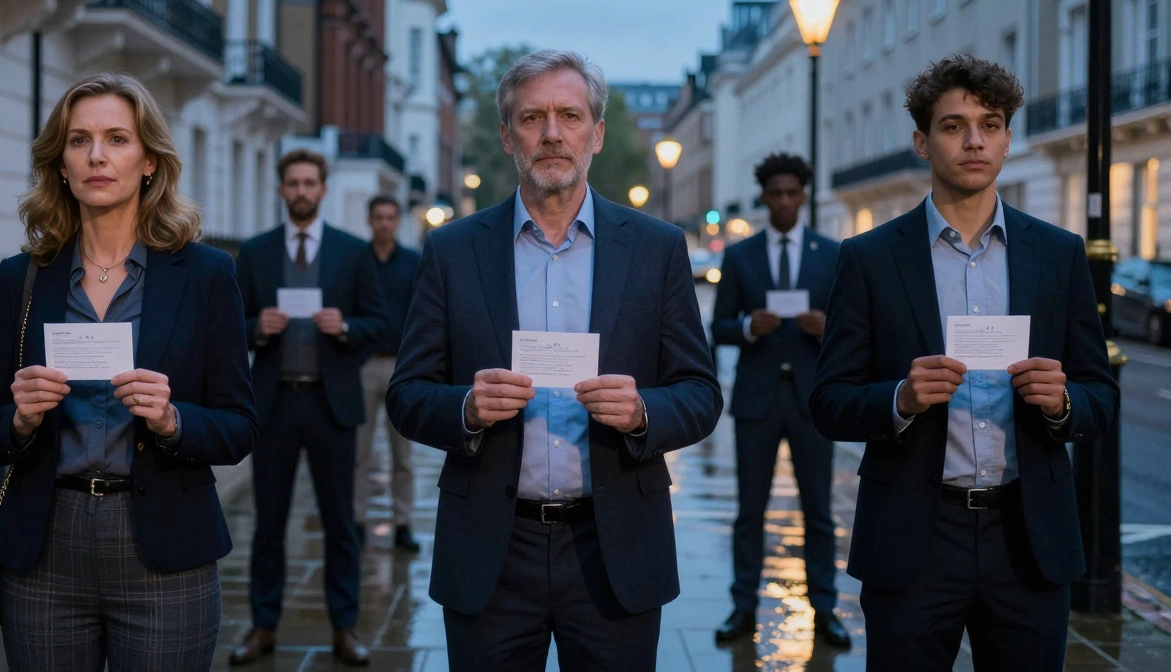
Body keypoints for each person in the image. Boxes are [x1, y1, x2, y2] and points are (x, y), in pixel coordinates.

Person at [385, 50, 722, 672]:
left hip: (614, 544)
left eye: (569, 115)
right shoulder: (453, 251)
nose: (551, 133)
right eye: (532, 117)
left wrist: (645, 411)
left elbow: (701, 394)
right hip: (491, 544)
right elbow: (405, 394)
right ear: (508, 135)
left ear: (596, 134)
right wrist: (465, 407)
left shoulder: (656, 249)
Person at [809, 55, 1119, 671]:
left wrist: (1064, 403)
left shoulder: (1057, 255)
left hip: (1028, 538)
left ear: (1007, 140)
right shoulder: (869, 258)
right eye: (954, 126)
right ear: (923, 142)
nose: (974, 140)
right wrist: (898, 397)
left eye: (991, 123)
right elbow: (829, 400)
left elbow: (1100, 396)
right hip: (914, 539)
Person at [0, 72, 257, 671]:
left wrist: (174, 418)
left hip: (164, 547)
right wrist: (18, 420)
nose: (97, 155)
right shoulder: (23, 279)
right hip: (45, 548)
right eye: (79, 140)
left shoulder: (205, 276)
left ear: (149, 160)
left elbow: (238, 428)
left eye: (117, 138)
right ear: (61, 163)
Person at [231, 149, 388, 667]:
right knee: (267, 523)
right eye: (292, 183)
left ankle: (345, 628)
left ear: (322, 189)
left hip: (330, 403)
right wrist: (257, 327)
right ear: (282, 190)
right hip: (274, 405)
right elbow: (229, 326)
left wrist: (344, 327)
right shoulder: (254, 252)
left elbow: (379, 325)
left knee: (341, 522)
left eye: (309, 183)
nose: (301, 191)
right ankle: (262, 626)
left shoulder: (351, 252)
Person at [710, 153, 850, 648]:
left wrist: (826, 327)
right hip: (757, 399)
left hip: (814, 400)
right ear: (765, 197)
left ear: (804, 195)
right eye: (777, 194)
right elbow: (719, 327)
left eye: (793, 193)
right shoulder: (741, 255)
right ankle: (742, 607)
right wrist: (749, 326)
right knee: (750, 510)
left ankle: (826, 611)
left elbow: (855, 331)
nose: (785, 201)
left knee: (819, 513)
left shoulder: (831, 254)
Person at [353, 196, 422, 552]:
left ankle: (403, 524)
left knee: (403, 455)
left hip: (400, 366)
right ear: (370, 220)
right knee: (360, 452)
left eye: (390, 217)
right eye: (378, 217)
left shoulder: (413, 262)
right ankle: (358, 521)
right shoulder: (357, 260)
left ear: (397, 221)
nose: (384, 223)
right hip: (364, 365)